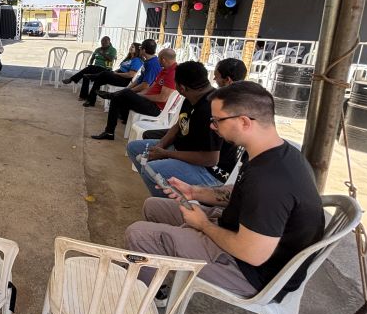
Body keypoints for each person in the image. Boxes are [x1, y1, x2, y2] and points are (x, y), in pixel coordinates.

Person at [125, 81, 324, 297]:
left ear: (244, 121)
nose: (212, 126)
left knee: (139, 234)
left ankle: (136, 302)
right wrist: (195, 192)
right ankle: (154, 283)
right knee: (153, 206)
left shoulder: (270, 180)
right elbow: (240, 193)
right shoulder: (273, 151)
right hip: (236, 230)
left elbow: (252, 253)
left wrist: (203, 225)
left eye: (217, 120)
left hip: (251, 272)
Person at [126, 61, 222, 195]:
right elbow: (178, 125)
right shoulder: (192, 96)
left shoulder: (211, 109)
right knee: (134, 148)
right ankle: (164, 189)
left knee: (151, 170)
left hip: (208, 170)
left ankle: (168, 202)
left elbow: (211, 159)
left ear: (181, 87)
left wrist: (165, 154)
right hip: (182, 150)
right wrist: (160, 145)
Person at [91, 47, 176, 140]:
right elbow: (150, 88)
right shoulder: (165, 70)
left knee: (126, 93)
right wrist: (140, 95)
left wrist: (142, 96)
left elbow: (162, 98)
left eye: (159, 58)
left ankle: (110, 95)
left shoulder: (172, 73)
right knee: (118, 98)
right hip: (149, 102)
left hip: (156, 109)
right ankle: (109, 132)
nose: (158, 60)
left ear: (163, 60)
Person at [81, 42, 143, 106]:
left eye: (132, 47)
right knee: (98, 80)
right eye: (130, 46)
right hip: (119, 76)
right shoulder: (129, 58)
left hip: (124, 80)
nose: (130, 48)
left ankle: (93, 77)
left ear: (137, 50)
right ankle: (91, 101)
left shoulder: (137, 60)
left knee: (105, 73)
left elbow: (130, 75)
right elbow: (121, 69)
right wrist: (114, 72)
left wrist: (117, 74)